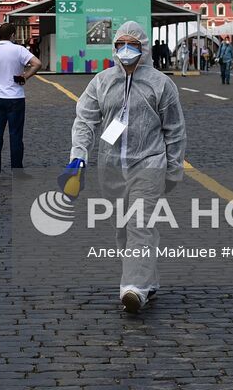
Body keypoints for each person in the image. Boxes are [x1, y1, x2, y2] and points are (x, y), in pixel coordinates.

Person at [67, 20, 185, 315]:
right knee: (123, 229)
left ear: (143, 48)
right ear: (114, 47)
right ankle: (149, 281)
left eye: (132, 44)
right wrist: (78, 157)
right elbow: (85, 121)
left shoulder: (161, 84)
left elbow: (175, 130)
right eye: (121, 44)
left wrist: (172, 169)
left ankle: (133, 288)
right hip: (111, 167)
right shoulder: (102, 81)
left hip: (149, 163)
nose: (126, 49)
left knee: (139, 225)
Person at [0, 23, 41, 180]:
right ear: (12, 35)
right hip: (15, 97)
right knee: (15, 135)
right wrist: (25, 76)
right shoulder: (19, 50)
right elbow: (37, 63)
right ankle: (17, 171)